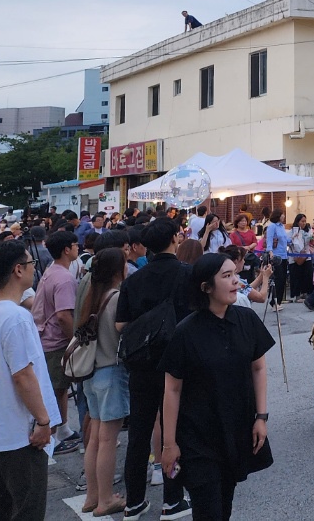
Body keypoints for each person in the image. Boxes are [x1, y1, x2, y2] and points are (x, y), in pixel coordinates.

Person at [159, 255, 275, 521]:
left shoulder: (246, 319)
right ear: (206, 287)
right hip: (197, 436)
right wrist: (169, 445)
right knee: (208, 509)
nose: (236, 281)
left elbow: (258, 368)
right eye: (226, 276)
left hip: (235, 428)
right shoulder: (186, 332)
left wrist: (261, 417)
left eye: (234, 274)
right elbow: (172, 389)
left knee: (225, 504)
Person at [115, 218, 192, 521]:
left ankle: (134, 502)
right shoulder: (187, 274)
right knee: (176, 429)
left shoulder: (133, 279)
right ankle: (173, 499)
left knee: (139, 432)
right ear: (175, 238)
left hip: (142, 364)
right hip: (178, 363)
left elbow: (121, 324)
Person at [0, 241, 60, 521]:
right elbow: (23, 374)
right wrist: (43, 421)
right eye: (30, 264)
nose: (33, 270)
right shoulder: (16, 316)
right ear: (18, 270)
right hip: (20, 433)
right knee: (28, 510)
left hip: (2, 430)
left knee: (1, 509)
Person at [79, 248, 129, 517]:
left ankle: (92, 496)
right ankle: (106, 498)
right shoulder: (116, 298)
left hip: (90, 372)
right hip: (111, 371)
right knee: (108, 440)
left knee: (96, 438)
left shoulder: (90, 295)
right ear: (117, 270)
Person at [30, 229, 80, 455]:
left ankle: (63, 429)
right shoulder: (64, 278)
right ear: (66, 250)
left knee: (59, 388)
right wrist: (74, 341)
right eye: (74, 244)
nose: (78, 248)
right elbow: (63, 315)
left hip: (45, 337)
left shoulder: (52, 272)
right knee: (55, 388)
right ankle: (52, 436)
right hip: (55, 340)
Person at [263, 211, 290, 310]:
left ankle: (277, 301)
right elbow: (269, 239)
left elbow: (285, 239)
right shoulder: (272, 226)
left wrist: (291, 240)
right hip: (276, 255)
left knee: (282, 279)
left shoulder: (281, 226)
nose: (284, 216)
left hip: (284, 255)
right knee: (278, 278)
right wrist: (270, 252)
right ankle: (275, 301)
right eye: (282, 214)